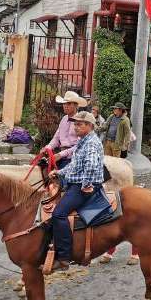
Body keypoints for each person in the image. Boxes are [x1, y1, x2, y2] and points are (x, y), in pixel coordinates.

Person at [47, 111, 105, 272]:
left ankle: (64, 258)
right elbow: (75, 165)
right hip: (75, 183)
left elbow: (91, 165)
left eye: (80, 124)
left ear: (90, 126)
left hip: (83, 187)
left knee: (58, 213)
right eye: (75, 123)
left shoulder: (91, 143)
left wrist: (86, 184)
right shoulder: (82, 141)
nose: (75, 127)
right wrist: (59, 173)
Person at [43, 91, 88, 167]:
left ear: (76, 106)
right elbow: (56, 138)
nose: (65, 106)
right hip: (61, 155)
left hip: (74, 157)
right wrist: (48, 148)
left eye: (69, 104)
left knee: (62, 176)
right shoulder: (64, 119)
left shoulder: (81, 122)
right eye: (64, 103)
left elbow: (80, 145)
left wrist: (61, 154)